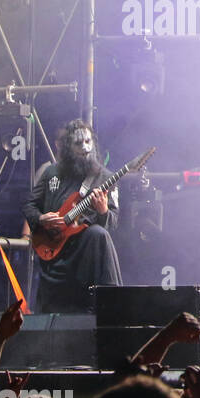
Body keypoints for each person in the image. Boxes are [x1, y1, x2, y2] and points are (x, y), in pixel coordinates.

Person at [21, 119, 122, 313]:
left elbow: (114, 221)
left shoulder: (105, 178)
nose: (85, 148)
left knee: (99, 234)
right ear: (68, 147)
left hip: (84, 249)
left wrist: (103, 211)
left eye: (88, 142)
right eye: (78, 144)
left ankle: (113, 305)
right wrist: (41, 218)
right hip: (54, 249)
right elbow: (29, 205)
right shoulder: (51, 173)